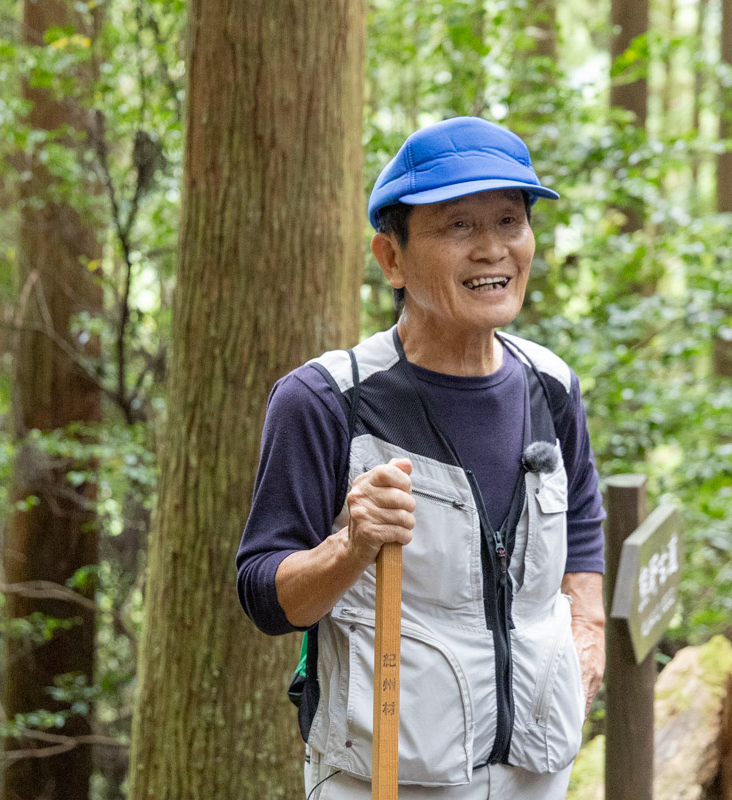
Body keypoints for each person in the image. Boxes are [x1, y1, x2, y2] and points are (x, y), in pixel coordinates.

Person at [236, 116, 606, 799]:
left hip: (540, 768)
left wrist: (589, 637)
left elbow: (581, 523)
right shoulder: (327, 400)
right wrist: (349, 545)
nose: (492, 249)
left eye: (509, 221)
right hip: (385, 777)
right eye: (458, 226)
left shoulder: (551, 386)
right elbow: (265, 596)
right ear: (392, 259)